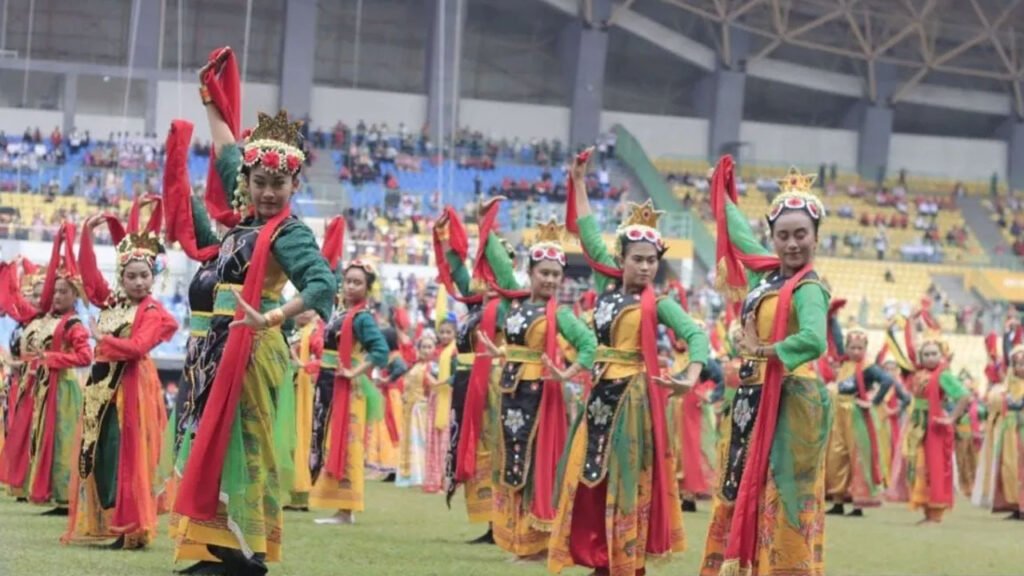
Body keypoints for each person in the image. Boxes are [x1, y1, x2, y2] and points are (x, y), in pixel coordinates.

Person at [173, 47, 337, 575]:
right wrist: (210, 98)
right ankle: (220, 548)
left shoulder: (286, 233)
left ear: (293, 186)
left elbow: (321, 283)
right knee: (217, 448)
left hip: (253, 347)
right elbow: (225, 150)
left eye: (278, 184)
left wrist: (272, 316)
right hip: (219, 347)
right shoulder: (241, 225)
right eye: (259, 182)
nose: (268, 192)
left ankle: (250, 555)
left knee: (247, 448)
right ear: (247, 183)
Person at [547, 151, 709, 575]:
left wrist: (689, 377)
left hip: (634, 400)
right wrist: (579, 183)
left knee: (625, 477)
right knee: (588, 472)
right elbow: (587, 235)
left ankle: (624, 559)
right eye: (636, 258)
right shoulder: (607, 286)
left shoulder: (661, 304)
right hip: (598, 393)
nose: (643, 266)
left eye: (651, 260)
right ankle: (598, 555)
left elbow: (697, 337)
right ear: (621, 261)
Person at [701, 162, 831, 576]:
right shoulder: (768, 274)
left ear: (815, 237)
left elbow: (813, 339)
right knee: (742, 486)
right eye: (783, 236)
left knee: (781, 492)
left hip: (791, 400)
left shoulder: (810, 288)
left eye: (800, 235)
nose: (792, 244)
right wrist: (720, 192)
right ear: (773, 238)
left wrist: (765, 349)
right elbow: (739, 237)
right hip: (753, 398)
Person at [473, 216, 597, 561]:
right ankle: (519, 540)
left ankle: (537, 544)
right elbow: (498, 264)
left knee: (535, 465)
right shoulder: (518, 302)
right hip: (512, 393)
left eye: (556, 274)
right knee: (514, 463)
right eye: (544, 272)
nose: (551, 280)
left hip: (541, 396)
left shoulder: (562, 315)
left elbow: (588, 345)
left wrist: (566, 372)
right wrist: (487, 222)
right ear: (531, 273)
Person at [62, 217, 178, 549]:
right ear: (122, 278)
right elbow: (91, 278)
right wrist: (86, 234)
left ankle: (133, 527)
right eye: (132, 276)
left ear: (153, 278)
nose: (139, 282)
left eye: (145, 276)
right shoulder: (115, 304)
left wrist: (101, 338)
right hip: (103, 392)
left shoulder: (154, 312)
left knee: (130, 456)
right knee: (104, 454)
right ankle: (111, 521)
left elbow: (139, 347)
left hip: (132, 390)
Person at [308, 259, 388, 525]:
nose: (351, 286)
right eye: (348, 281)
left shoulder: (362, 318)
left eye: (358, 282)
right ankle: (339, 508)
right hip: (330, 382)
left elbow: (380, 351)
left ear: (367, 289)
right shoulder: (341, 313)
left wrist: (355, 371)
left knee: (348, 444)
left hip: (347, 387)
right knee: (331, 441)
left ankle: (346, 509)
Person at [824, 327, 908, 517]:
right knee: (837, 457)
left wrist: (873, 401)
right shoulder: (845, 363)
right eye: (852, 347)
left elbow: (887, 381)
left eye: (859, 348)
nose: (855, 352)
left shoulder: (868, 366)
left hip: (856, 415)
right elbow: (835, 337)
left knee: (858, 459)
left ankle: (858, 504)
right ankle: (838, 500)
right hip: (839, 414)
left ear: (865, 348)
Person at [891, 337, 970, 524]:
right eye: (926, 354)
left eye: (934, 353)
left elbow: (963, 395)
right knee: (919, 465)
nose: (930, 357)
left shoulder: (943, 375)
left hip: (934, 425)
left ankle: (935, 513)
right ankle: (927, 511)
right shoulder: (920, 373)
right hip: (918, 424)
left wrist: (951, 418)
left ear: (941, 355)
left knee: (934, 467)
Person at [0, 259, 45, 500]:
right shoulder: (24, 324)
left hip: (38, 380)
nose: (34, 300)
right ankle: (20, 479)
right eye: (31, 296)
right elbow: (12, 300)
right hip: (21, 381)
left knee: (31, 431)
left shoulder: (43, 322)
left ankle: (32, 482)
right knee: (17, 429)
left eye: (38, 295)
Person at [973, 345, 1024, 519]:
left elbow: (1015, 404)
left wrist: (1012, 402)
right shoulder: (1006, 387)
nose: (1021, 368)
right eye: (1018, 364)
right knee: (1009, 468)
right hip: (1010, 434)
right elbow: (994, 403)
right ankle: (1016, 505)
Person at [395, 334, 437, 488]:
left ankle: (423, 474)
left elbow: (436, 386)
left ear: (434, 349)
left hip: (423, 408)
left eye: (429, 347)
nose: (426, 350)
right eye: (423, 347)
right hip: (411, 409)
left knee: (422, 441)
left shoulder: (433, 367)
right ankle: (411, 474)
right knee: (410, 440)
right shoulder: (416, 366)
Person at [424, 318, 456, 494]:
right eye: (442, 332)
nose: (444, 335)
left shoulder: (454, 352)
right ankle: (433, 478)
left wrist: (445, 381)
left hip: (448, 397)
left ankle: (446, 479)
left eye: (448, 332)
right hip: (435, 398)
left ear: (455, 334)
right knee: (433, 436)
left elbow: (458, 374)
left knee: (446, 437)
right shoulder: (436, 353)